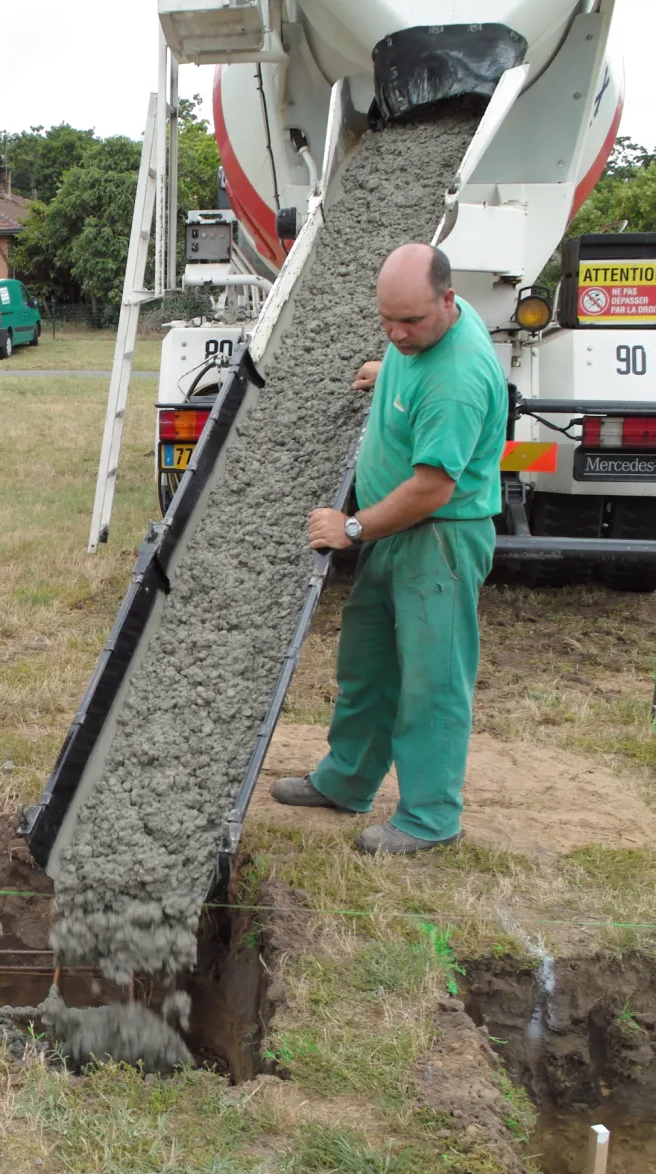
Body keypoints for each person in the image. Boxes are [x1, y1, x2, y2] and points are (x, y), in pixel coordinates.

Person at [269, 243, 507, 855]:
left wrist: (349, 529)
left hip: (439, 540)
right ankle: (346, 781)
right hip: (393, 536)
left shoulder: (457, 381)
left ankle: (430, 818)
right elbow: (411, 353)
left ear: (448, 302)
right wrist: (388, 369)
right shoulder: (421, 339)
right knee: (368, 666)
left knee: (431, 682)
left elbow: (430, 490)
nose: (398, 333)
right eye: (387, 321)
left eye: (411, 323)